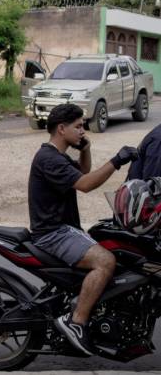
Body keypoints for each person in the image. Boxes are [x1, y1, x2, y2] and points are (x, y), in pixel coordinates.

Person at [28, 103, 138, 355]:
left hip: (63, 229)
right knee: (105, 262)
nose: (82, 131)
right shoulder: (48, 158)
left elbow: (82, 170)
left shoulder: (56, 156)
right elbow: (86, 184)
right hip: (53, 233)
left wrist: (86, 148)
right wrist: (116, 161)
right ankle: (76, 322)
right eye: (78, 127)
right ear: (61, 128)